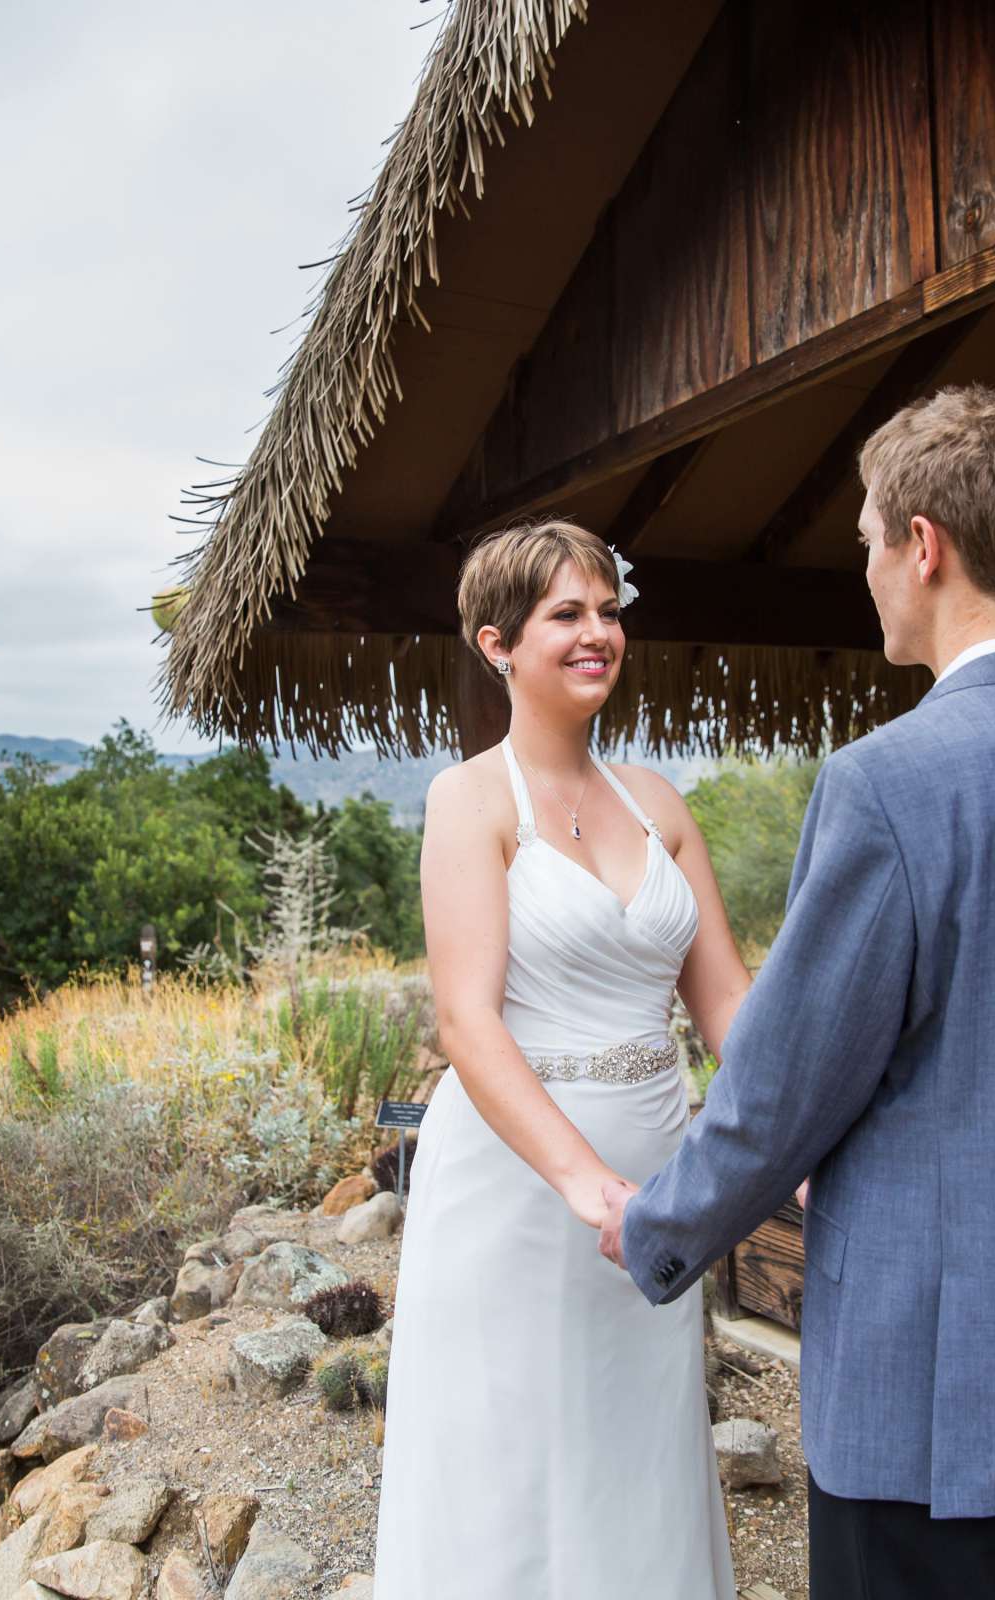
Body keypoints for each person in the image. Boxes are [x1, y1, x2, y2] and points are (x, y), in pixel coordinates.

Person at [600, 384, 995, 1600]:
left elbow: (783, 1084)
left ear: (922, 544)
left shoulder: (891, 782)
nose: (869, 573)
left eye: (869, 542)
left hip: (930, 1398)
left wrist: (660, 1226)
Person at [372, 520, 748, 1597]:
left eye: (609, 611)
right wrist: (591, 1189)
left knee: (632, 1452)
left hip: (662, 1182)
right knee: (514, 1457)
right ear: (498, 645)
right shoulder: (469, 800)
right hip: (521, 1185)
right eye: (566, 615)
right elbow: (468, 1023)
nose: (598, 634)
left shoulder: (661, 803)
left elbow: (726, 1002)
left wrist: (790, 1134)